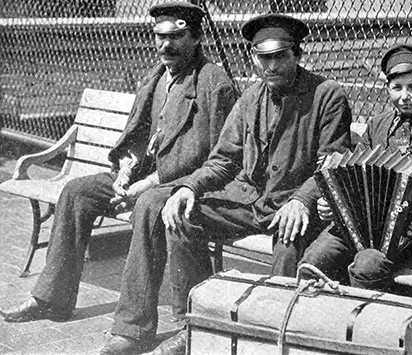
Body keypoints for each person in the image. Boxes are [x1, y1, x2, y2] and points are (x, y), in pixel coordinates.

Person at [2, 0, 237, 330]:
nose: (165, 45)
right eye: (159, 36)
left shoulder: (212, 83)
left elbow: (201, 157)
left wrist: (146, 184)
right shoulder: (155, 78)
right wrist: (126, 168)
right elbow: (138, 136)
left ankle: (133, 327)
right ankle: (51, 299)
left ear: (196, 38)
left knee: (148, 207)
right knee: (76, 191)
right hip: (145, 176)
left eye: (176, 37)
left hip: (185, 184)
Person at [155, 13, 352, 355]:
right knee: (183, 218)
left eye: (280, 57)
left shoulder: (327, 95)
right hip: (250, 202)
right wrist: (189, 188)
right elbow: (223, 159)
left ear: (297, 55)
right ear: (254, 58)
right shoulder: (250, 98)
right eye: (264, 58)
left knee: (289, 245)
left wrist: (302, 200)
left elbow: (331, 164)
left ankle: (269, 339)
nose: (271, 66)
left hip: (293, 208)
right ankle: (196, 323)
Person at [300, 44, 412, 290]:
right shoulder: (377, 125)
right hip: (360, 227)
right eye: (397, 88)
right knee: (316, 258)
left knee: (368, 265)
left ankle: (362, 324)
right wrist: (333, 205)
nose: (404, 96)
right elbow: (354, 176)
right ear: (388, 89)